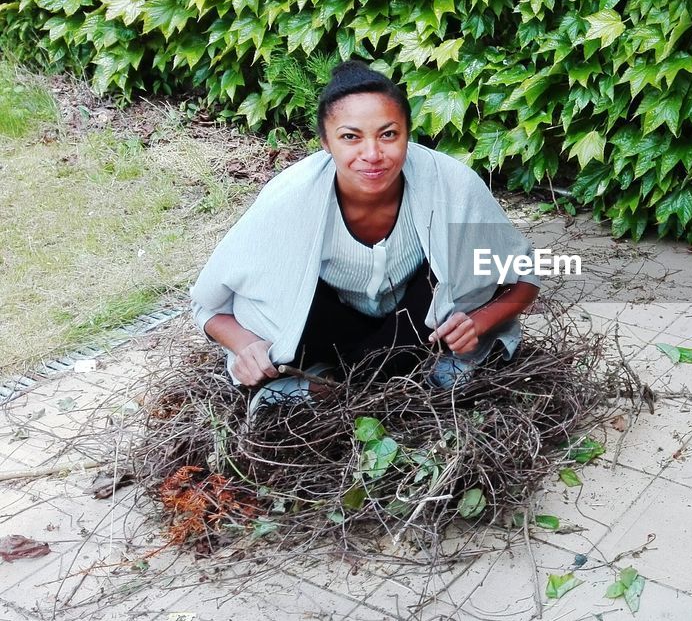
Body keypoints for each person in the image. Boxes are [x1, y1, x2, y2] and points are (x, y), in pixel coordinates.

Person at [190, 60, 540, 411]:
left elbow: (525, 277)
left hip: (420, 335)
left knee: (447, 279)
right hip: (324, 339)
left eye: (388, 134)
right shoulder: (289, 198)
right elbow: (208, 306)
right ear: (326, 142)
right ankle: (321, 384)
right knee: (290, 307)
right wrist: (245, 345)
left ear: (408, 132)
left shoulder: (450, 184)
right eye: (350, 137)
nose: (372, 155)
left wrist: (477, 324)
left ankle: (386, 386)